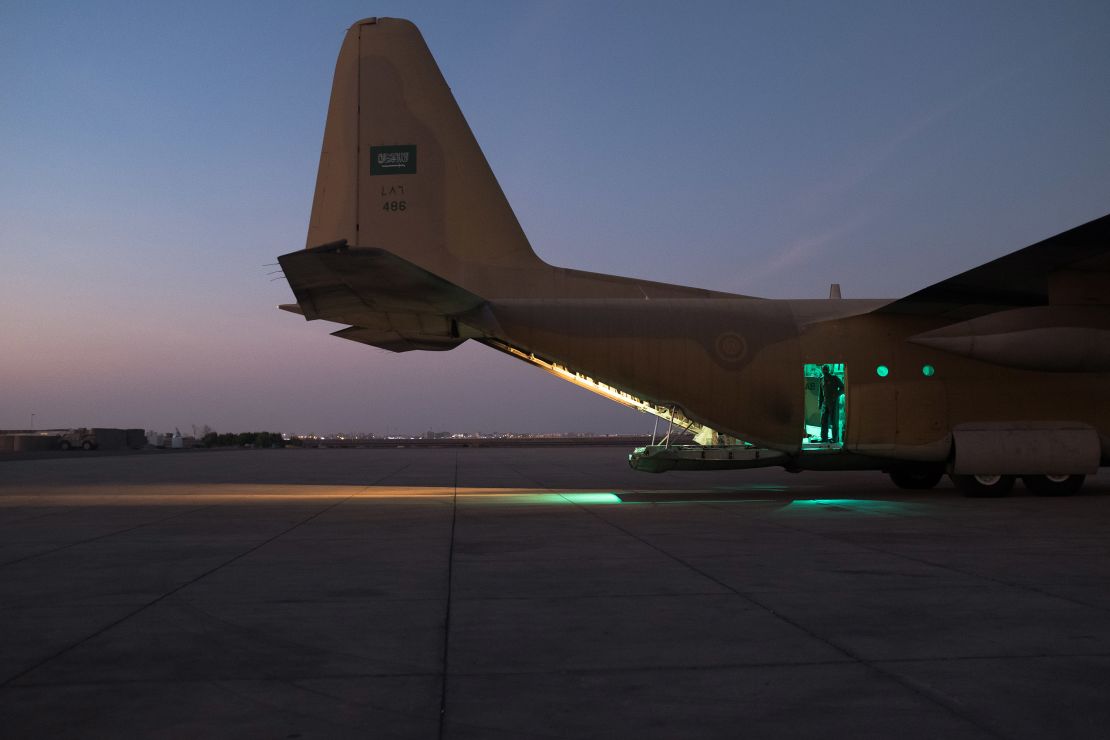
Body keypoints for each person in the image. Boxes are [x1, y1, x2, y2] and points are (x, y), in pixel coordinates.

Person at [818, 365, 844, 443]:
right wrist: (820, 403)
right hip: (825, 403)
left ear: (828, 370)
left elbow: (843, 388)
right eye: (823, 369)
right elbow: (821, 393)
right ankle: (824, 438)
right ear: (822, 370)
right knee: (823, 421)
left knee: (834, 421)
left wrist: (836, 395)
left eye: (826, 369)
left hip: (833, 403)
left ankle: (835, 439)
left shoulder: (834, 378)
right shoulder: (821, 379)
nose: (825, 371)